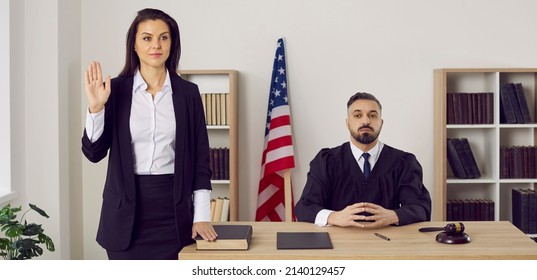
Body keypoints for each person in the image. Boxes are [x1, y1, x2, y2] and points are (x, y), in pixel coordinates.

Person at [81, 8, 217, 260]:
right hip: (125, 216)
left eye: (163, 37)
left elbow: (200, 161)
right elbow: (93, 153)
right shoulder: (115, 90)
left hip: (174, 213)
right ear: (133, 44)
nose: (156, 45)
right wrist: (96, 108)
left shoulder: (188, 94)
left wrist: (201, 217)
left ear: (172, 44)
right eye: (147, 38)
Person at [295, 92, 431, 228]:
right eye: (358, 115)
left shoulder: (404, 162)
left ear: (381, 123)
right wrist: (334, 216)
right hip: (337, 242)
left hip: (388, 243)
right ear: (347, 123)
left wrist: (393, 215)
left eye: (372, 115)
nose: (365, 121)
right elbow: (304, 207)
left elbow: (420, 208)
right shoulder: (327, 161)